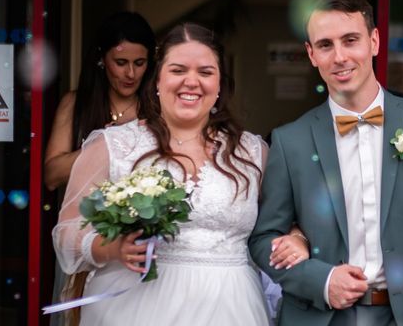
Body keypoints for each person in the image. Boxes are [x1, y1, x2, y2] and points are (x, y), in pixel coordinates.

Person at [52, 22, 308, 325]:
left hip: (231, 306)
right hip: (135, 307)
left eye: (205, 72)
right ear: (157, 80)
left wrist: (297, 239)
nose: (192, 81)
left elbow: (283, 222)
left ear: (220, 84)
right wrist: (114, 248)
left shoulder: (251, 152)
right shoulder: (115, 145)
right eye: (178, 70)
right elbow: (67, 233)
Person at [250, 0, 403, 325]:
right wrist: (321, 281)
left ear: (374, 42)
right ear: (311, 54)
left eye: (350, 40)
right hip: (320, 316)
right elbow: (263, 240)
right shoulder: (289, 140)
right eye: (325, 45)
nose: (339, 56)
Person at [44, 11, 157, 191]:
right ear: (102, 59)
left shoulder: (158, 107)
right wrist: (109, 143)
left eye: (139, 63)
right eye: (120, 63)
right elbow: (52, 176)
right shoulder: (75, 103)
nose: (131, 74)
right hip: (85, 217)